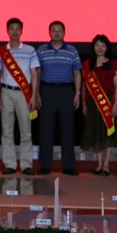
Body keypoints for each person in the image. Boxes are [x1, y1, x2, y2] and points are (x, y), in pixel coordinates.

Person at [35, 20, 82, 176]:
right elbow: (37, 73)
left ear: (64, 32)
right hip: (47, 91)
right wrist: (37, 93)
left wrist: (77, 93)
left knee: (67, 129)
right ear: (49, 33)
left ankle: (68, 166)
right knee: (46, 130)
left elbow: (77, 73)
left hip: (66, 91)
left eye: (59, 30)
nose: (56, 33)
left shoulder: (72, 50)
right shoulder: (41, 50)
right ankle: (44, 166)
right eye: (53, 30)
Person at [0, 17, 40, 176]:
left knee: (26, 130)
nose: (14, 32)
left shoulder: (30, 50)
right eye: (11, 29)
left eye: (17, 29)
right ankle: (10, 164)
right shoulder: (0, 51)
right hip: (6, 92)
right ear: (7, 31)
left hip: (24, 93)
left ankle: (27, 164)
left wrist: (34, 95)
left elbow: (34, 74)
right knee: (7, 130)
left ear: (21, 31)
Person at [80, 34, 117, 176]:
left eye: (103, 45)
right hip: (92, 103)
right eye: (97, 45)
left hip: (108, 101)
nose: (100, 48)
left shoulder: (113, 64)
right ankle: (98, 163)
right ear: (93, 47)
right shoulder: (87, 65)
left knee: (108, 133)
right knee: (95, 133)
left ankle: (106, 164)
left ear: (107, 48)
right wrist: (84, 104)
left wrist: (115, 105)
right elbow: (84, 86)